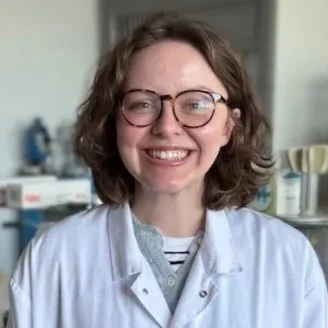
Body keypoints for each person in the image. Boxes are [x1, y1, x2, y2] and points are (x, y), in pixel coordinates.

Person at [7, 12, 327, 328]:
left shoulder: (288, 258)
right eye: (143, 103)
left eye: (196, 104)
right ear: (113, 122)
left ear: (229, 126)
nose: (167, 127)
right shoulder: (52, 258)